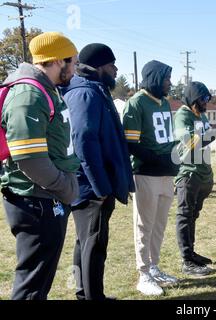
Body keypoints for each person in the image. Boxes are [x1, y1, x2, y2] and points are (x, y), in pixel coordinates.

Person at [1, 32, 80, 300]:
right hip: (36, 199)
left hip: (45, 196)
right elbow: (29, 159)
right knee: (32, 285)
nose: (76, 69)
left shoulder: (45, 89)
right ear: (58, 60)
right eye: (74, 62)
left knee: (40, 279)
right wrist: (65, 187)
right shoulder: (29, 94)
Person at [61, 43, 135, 300]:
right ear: (100, 66)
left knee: (85, 242)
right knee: (93, 244)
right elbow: (83, 141)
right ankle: (93, 297)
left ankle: (85, 293)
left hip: (92, 184)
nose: (116, 70)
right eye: (113, 65)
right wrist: (101, 187)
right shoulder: (85, 94)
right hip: (91, 186)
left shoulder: (94, 89)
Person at [122, 60, 179, 295]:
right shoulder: (136, 103)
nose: (170, 83)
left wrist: (174, 159)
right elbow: (130, 144)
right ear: (155, 78)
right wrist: (157, 160)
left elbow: (166, 138)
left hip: (166, 174)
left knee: (159, 224)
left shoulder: (164, 103)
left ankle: (154, 266)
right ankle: (143, 274)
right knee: (144, 225)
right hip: (145, 173)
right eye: (166, 79)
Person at [173, 81, 216, 276]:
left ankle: (191, 253)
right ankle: (186, 260)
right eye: (203, 99)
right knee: (184, 215)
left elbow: (208, 135)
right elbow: (191, 142)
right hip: (188, 173)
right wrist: (212, 134)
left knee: (193, 215)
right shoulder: (182, 116)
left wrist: (211, 133)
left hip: (202, 172)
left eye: (208, 98)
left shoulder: (199, 115)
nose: (206, 103)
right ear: (194, 98)